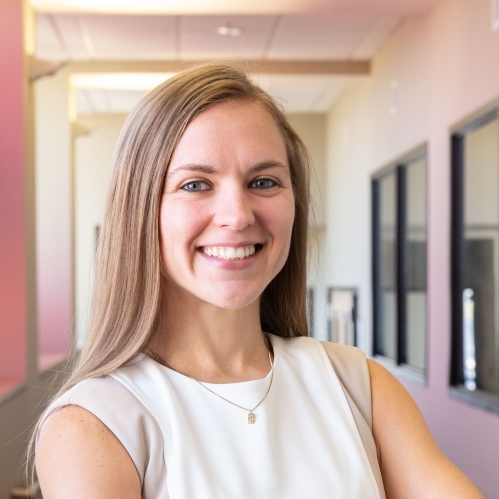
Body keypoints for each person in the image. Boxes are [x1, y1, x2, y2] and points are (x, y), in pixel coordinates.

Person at [34, 63, 483, 499]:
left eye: (264, 181)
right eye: (195, 185)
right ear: (140, 209)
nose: (238, 215)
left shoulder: (360, 385)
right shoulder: (93, 425)